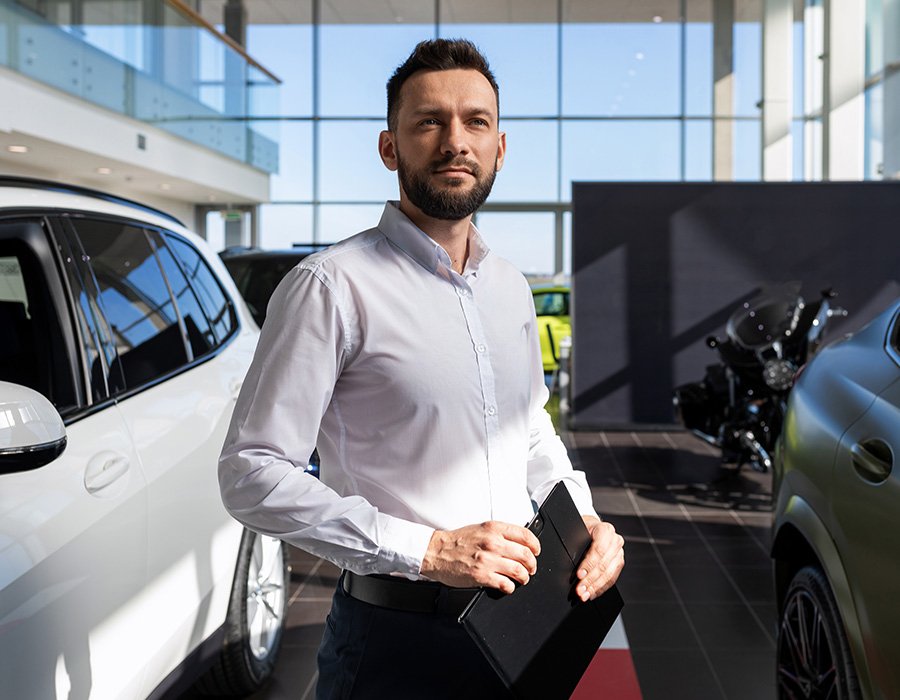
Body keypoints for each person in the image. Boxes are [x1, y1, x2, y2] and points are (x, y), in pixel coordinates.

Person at [218, 38, 625, 699]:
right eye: (429, 121)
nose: (454, 140)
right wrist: (434, 552)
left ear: (500, 147)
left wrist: (584, 528)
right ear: (390, 148)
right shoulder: (330, 286)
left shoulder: (510, 288)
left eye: (475, 121)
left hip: (522, 620)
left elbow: (530, 434)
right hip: (394, 638)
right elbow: (250, 473)